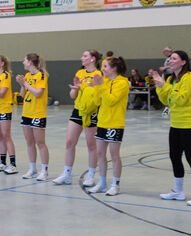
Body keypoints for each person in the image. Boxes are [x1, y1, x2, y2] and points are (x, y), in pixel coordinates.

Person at [151, 50, 191, 206]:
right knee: (174, 156)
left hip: (190, 124)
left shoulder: (190, 78)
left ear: (183, 62)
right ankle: (178, 191)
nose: (170, 60)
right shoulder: (172, 79)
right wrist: (159, 86)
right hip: (176, 124)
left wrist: (166, 87)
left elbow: (181, 99)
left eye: (174, 58)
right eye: (170, 58)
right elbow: (167, 100)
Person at [53, 50, 102, 187]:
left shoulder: (98, 75)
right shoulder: (80, 73)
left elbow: (98, 96)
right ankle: (67, 174)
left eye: (85, 56)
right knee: (69, 142)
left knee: (91, 145)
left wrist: (85, 87)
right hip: (78, 110)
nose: (82, 58)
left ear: (92, 59)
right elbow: (72, 95)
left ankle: (91, 175)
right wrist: (75, 88)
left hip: (91, 112)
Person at [88, 57, 129, 196]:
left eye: (105, 66)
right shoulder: (104, 81)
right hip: (102, 122)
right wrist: (97, 87)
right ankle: (102, 183)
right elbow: (97, 101)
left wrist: (101, 86)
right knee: (100, 154)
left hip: (115, 123)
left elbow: (111, 101)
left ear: (114, 68)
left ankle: (115, 185)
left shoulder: (122, 83)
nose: (102, 69)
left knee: (114, 154)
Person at [16, 53, 49, 181]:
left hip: (38, 113)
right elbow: (23, 95)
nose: (23, 62)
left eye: (24, 60)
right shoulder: (28, 76)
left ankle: (44, 170)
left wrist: (25, 83)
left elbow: (37, 93)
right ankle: (32, 168)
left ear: (30, 61)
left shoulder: (41, 75)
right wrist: (21, 84)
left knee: (40, 143)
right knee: (29, 143)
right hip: (27, 112)